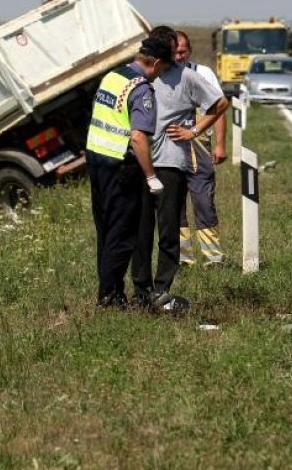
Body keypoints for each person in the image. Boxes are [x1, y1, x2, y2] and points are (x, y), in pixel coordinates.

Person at [130, 26, 227, 310]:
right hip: (142, 161)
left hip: (171, 163)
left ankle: (162, 289)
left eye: (177, 49)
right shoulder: (143, 75)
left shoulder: (187, 77)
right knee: (141, 230)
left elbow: (220, 104)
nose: (175, 54)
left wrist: (194, 131)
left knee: (170, 229)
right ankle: (141, 289)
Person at [87, 36, 172, 308]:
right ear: (156, 62)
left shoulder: (113, 76)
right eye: (163, 68)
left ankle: (108, 291)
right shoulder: (141, 89)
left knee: (105, 230)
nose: (162, 74)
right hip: (121, 169)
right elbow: (138, 138)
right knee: (122, 236)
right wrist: (150, 176)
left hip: (97, 161)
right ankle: (110, 298)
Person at [171, 30, 229, 267]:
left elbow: (219, 109)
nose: (178, 56)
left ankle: (212, 258)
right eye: (174, 52)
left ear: (190, 51)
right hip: (171, 149)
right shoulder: (163, 75)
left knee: (203, 202)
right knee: (175, 206)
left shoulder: (203, 73)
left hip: (200, 148)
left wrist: (221, 144)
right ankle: (183, 258)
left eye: (182, 51)